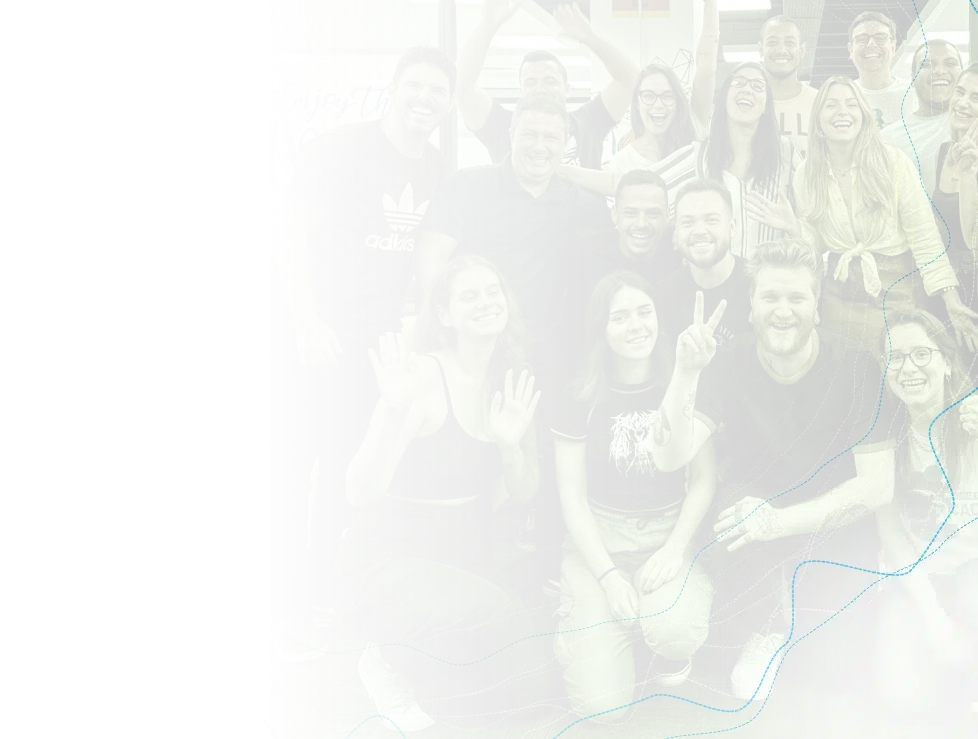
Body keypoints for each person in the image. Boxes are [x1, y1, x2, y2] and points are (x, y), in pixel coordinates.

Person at [268, 45, 456, 662]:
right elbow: (290, 228)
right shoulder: (345, 150)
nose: (424, 98)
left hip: (372, 344)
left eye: (437, 90)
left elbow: (421, 256)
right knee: (287, 473)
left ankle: (322, 589)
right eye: (415, 86)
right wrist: (305, 321)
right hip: (305, 334)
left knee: (346, 471)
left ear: (449, 103)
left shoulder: (434, 166)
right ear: (393, 89)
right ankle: (281, 607)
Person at [651, 236, 899, 702]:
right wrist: (685, 372)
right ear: (751, 307)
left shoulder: (856, 368)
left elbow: (877, 486)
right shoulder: (726, 363)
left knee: (838, 673)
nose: (782, 311)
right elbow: (669, 456)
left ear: (816, 308)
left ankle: (817, 619)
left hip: (830, 517)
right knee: (733, 513)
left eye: (796, 298)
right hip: (752, 516)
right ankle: (762, 627)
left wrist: (778, 522)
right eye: (769, 297)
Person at [330, 255, 554, 732]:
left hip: (466, 548)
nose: (486, 302)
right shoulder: (421, 378)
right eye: (468, 296)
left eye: (493, 291)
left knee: (533, 689)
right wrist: (394, 409)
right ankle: (386, 656)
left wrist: (510, 448)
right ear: (444, 315)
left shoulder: (509, 375)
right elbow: (357, 492)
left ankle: (428, 663)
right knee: (488, 610)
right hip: (390, 553)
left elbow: (524, 491)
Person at [415, 91, 614, 584]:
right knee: (455, 442)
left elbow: (634, 208)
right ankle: (448, 551)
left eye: (552, 137)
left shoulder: (581, 206)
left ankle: (547, 557)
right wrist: (446, 330)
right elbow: (432, 255)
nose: (540, 146)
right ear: (510, 136)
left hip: (534, 343)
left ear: (566, 144)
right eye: (530, 134)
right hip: (465, 340)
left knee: (563, 433)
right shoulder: (470, 186)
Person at [551, 270, 717, 722]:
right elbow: (572, 498)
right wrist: (608, 577)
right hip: (600, 543)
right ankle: (595, 624)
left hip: (666, 535)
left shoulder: (684, 382)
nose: (636, 326)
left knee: (677, 633)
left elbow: (703, 481)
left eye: (644, 312)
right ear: (601, 331)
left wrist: (676, 548)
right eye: (619, 317)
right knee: (603, 707)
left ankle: (651, 633)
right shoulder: (577, 398)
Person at [745, 76, 978, 355]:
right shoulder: (806, 174)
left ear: (864, 115)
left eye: (851, 104)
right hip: (839, 291)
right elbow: (816, 243)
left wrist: (950, 299)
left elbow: (925, 238)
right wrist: (794, 227)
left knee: (895, 367)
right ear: (818, 119)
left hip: (896, 287)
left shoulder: (893, 163)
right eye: (831, 105)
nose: (842, 112)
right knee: (843, 370)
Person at [559, 62, 803, 261]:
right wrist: (559, 170)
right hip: (715, 285)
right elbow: (630, 184)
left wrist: (794, 227)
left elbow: (812, 217)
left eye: (758, 86)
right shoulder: (699, 155)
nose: (747, 90)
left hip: (773, 287)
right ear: (724, 98)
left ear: (766, 105)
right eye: (738, 82)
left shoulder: (786, 153)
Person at [872, 309, 977, 732]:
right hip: (914, 578)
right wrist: (935, 621)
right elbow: (893, 540)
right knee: (901, 697)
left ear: (947, 362)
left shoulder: (972, 419)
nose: (908, 367)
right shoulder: (882, 439)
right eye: (896, 357)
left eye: (921, 353)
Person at [455, 0, 639, 168]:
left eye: (550, 81)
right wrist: (487, 26)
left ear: (567, 89)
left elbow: (631, 79)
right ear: (521, 91)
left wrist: (592, 39)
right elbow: (460, 86)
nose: (540, 89)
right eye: (530, 82)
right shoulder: (501, 126)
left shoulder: (588, 123)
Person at [553, 170, 683, 375]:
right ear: (614, 214)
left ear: (667, 216)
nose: (641, 223)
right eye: (630, 213)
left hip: (659, 374)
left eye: (653, 214)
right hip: (587, 374)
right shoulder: (583, 251)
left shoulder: (679, 254)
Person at [607, 0, 720, 169]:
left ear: (677, 101)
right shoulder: (621, 163)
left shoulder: (693, 132)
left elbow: (706, 70)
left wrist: (710, 3)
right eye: (648, 96)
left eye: (667, 96)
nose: (658, 104)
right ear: (637, 102)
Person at [651, 178, 753, 348]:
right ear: (676, 232)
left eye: (711, 220)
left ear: (732, 227)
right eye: (687, 222)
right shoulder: (661, 297)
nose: (699, 231)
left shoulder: (760, 285)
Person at [930, 62, 978, 352]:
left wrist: (970, 173)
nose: (962, 103)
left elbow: (973, 238)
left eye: (975, 98)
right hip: (947, 288)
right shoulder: (944, 152)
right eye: (960, 92)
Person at [880, 40, 963, 196]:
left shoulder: (972, 124)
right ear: (912, 79)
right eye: (927, 65)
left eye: (950, 63)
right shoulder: (888, 138)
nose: (939, 70)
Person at [759, 14, 820, 156]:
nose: (781, 50)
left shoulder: (820, 102)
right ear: (761, 49)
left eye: (790, 42)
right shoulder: (747, 103)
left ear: (802, 50)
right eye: (772, 42)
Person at [848, 11, 912, 130]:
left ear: (893, 47)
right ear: (851, 49)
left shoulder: (914, 93)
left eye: (880, 38)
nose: (871, 44)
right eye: (862, 39)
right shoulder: (842, 96)